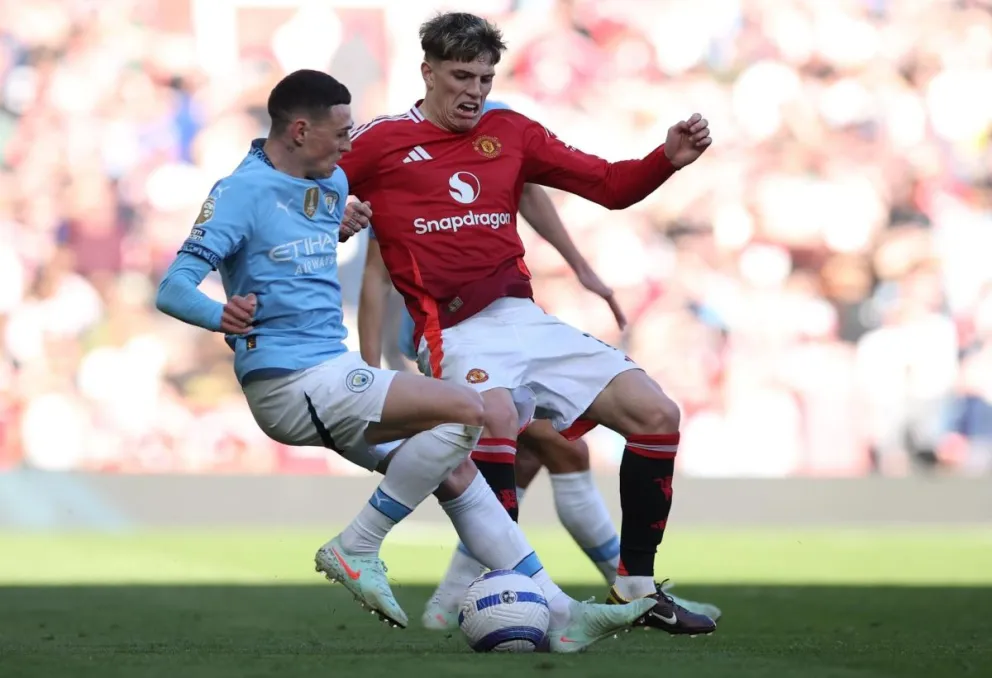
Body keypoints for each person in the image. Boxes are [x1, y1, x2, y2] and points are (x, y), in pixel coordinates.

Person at [155, 68, 653, 652]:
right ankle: (358, 544)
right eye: (339, 133)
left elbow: (300, 235)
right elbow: (173, 286)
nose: (349, 145)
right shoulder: (239, 192)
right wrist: (222, 316)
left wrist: (339, 225)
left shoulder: (328, 185)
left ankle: (562, 611)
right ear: (297, 130)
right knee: (470, 409)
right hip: (292, 380)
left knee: (458, 473)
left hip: (328, 373)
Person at [338, 12, 716, 635]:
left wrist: (665, 159)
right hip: (450, 332)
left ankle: (637, 588)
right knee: (496, 419)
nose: (476, 91)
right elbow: (301, 195)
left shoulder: (510, 132)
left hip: (527, 320)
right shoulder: (378, 142)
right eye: (462, 76)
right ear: (427, 72)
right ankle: (501, 588)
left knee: (658, 415)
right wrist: (335, 218)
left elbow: (610, 185)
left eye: (486, 78)